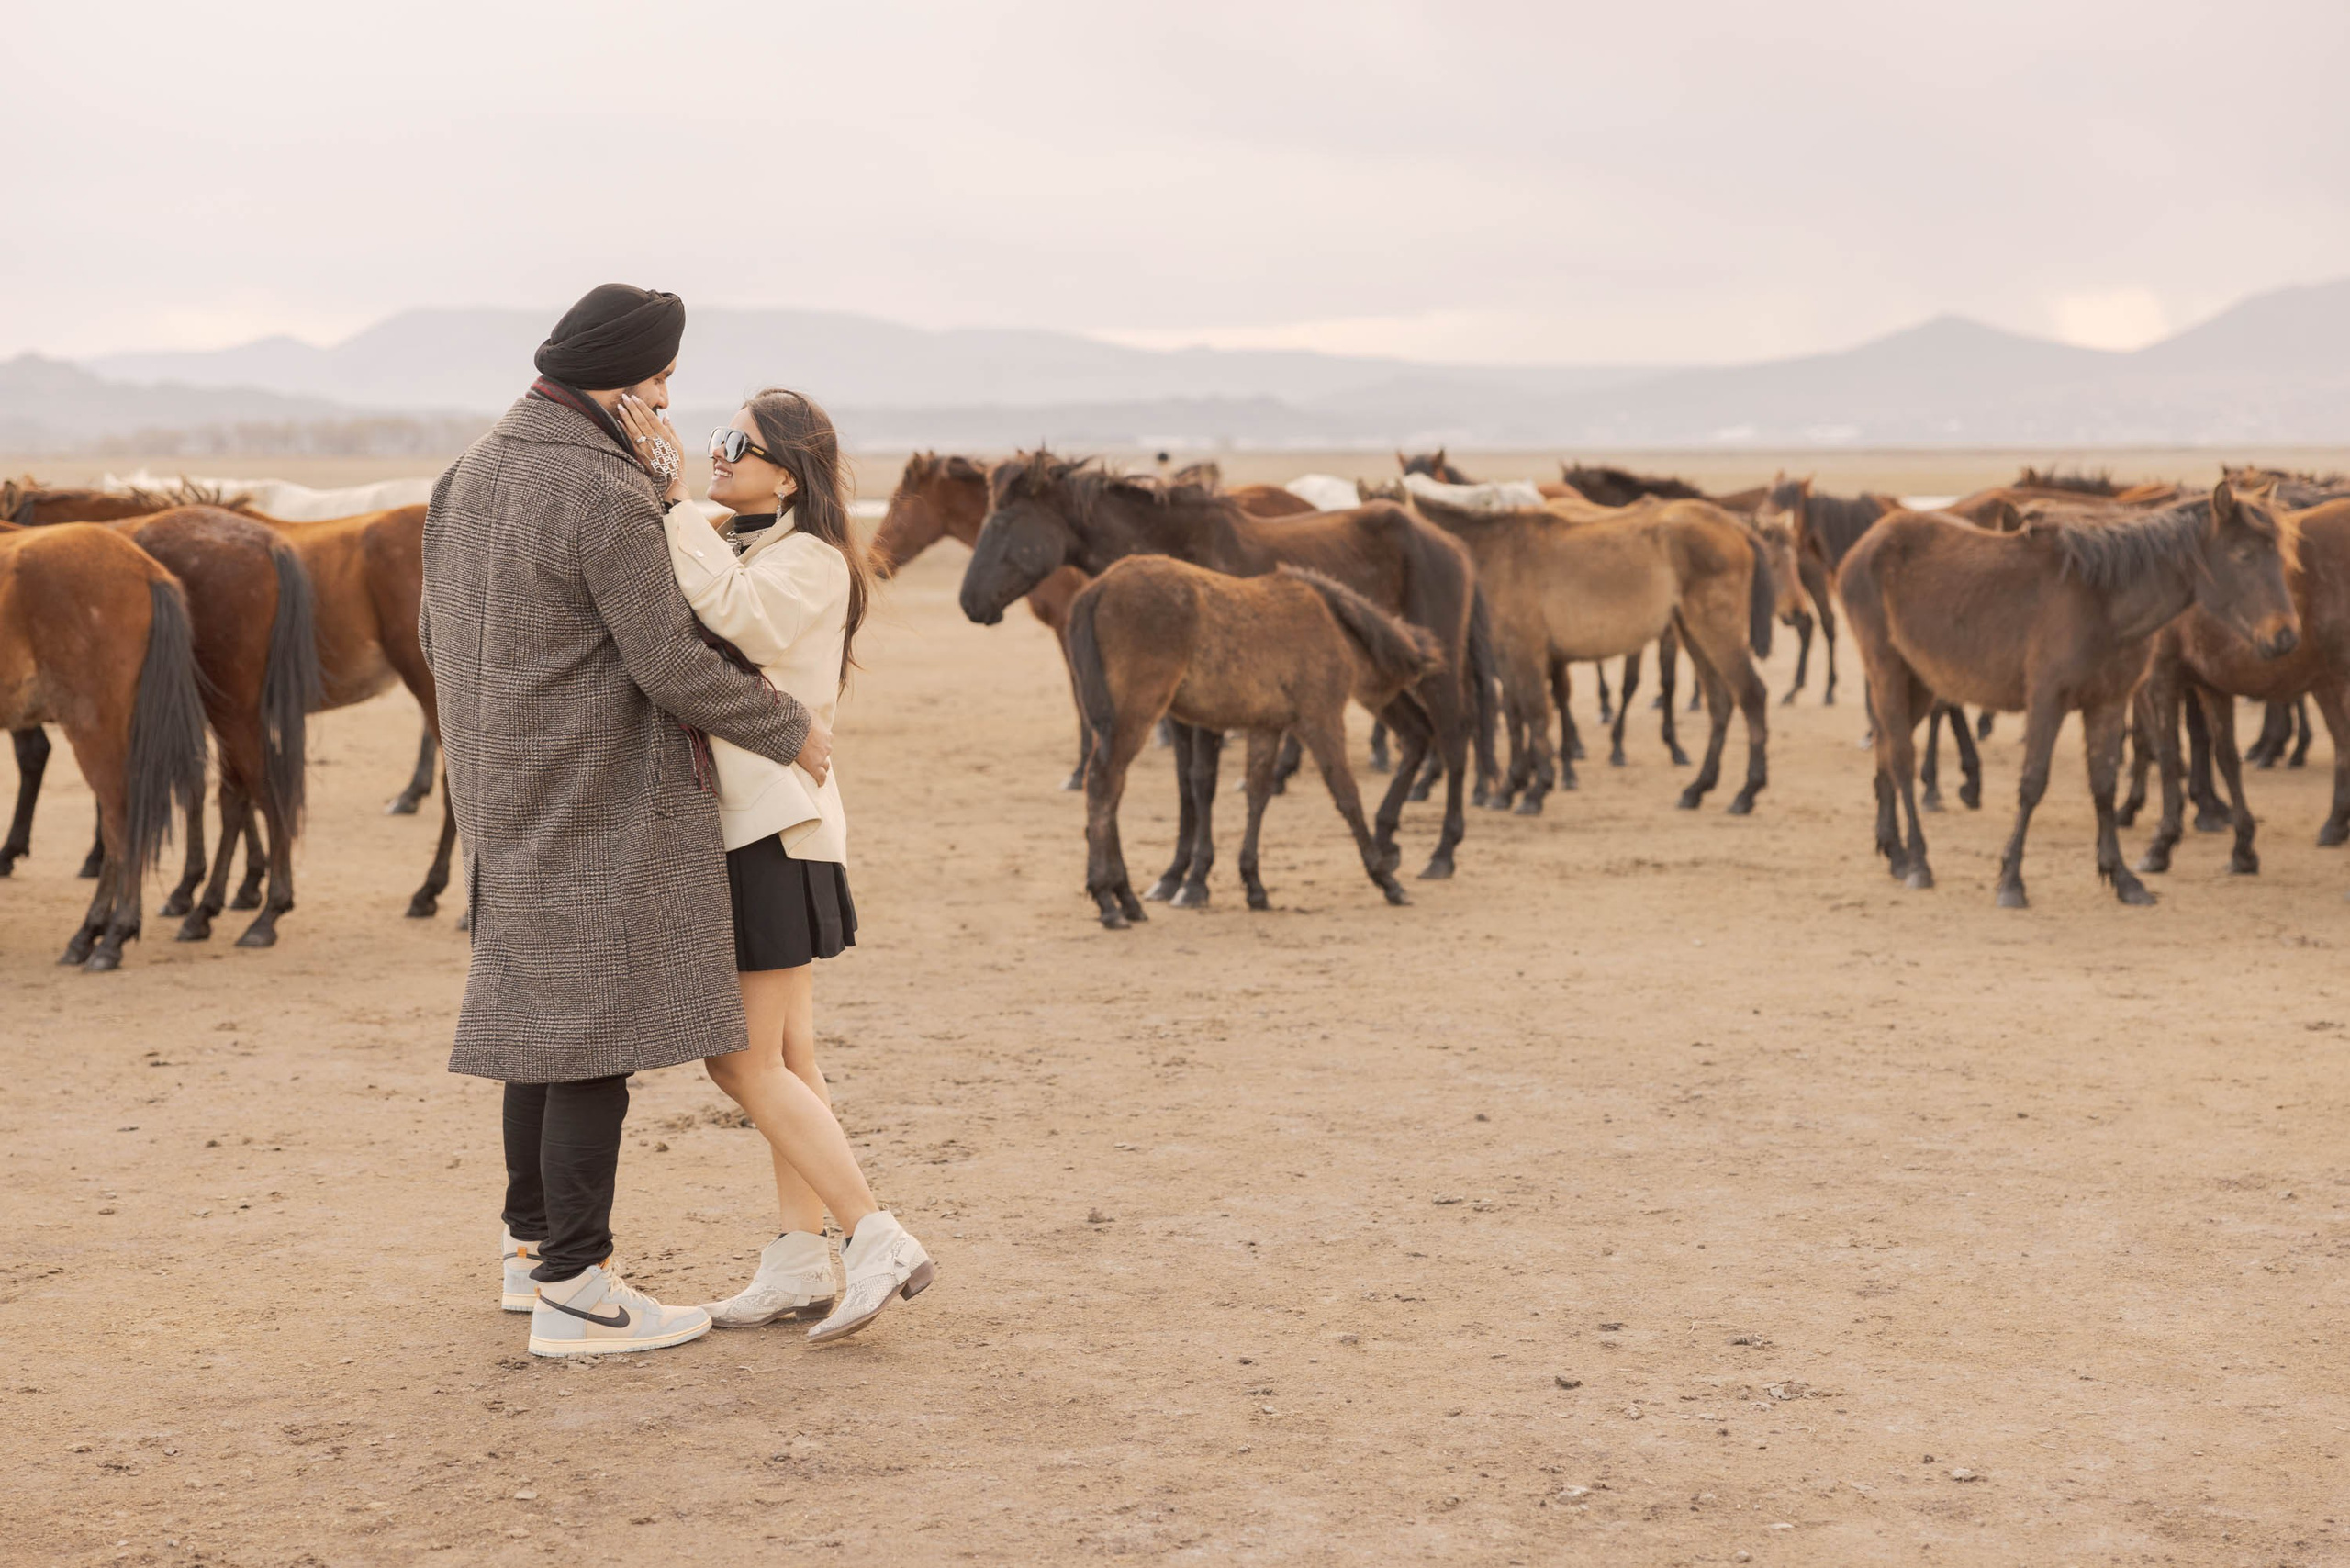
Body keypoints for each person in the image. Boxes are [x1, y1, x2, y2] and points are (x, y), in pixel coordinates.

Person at [420, 283, 834, 1359]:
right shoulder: (601, 487)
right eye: (659, 380)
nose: (665, 403)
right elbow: (665, 658)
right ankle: (578, 1288)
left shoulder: (467, 471)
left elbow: (435, 633)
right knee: (592, 1037)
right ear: (615, 379)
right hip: (592, 787)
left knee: (538, 1027)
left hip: (496, 784)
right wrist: (785, 725)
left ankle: (529, 1254)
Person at [612, 386, 934, 1344]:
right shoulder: (744, 538)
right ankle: (799, 1259)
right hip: (766, 825)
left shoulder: (812, 560)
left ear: (788, 474)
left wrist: (672, 501)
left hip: (773, 830)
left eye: (736, 443)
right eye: (716, 437)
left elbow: (743, 621)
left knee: (739, 1060)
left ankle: (875, 1235)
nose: (716, 452)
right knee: (789, 1060)